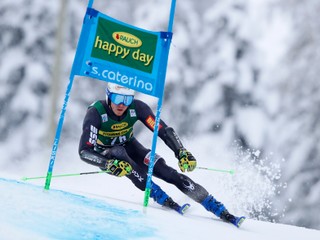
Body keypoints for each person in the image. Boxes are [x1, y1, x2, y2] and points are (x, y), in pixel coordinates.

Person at [78, 82, 245, 227]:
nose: (122, 105)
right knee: (120, 154)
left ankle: (214, 206)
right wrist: (107, 164)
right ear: (108, 97)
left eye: (127, 99)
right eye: (117, 99)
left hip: (130, 146)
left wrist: (181, 151)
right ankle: (157, 194)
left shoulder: (138, 108)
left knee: (165, 170)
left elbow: (163, 130)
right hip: (107, 155)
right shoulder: (96, 113)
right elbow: (84, 151)